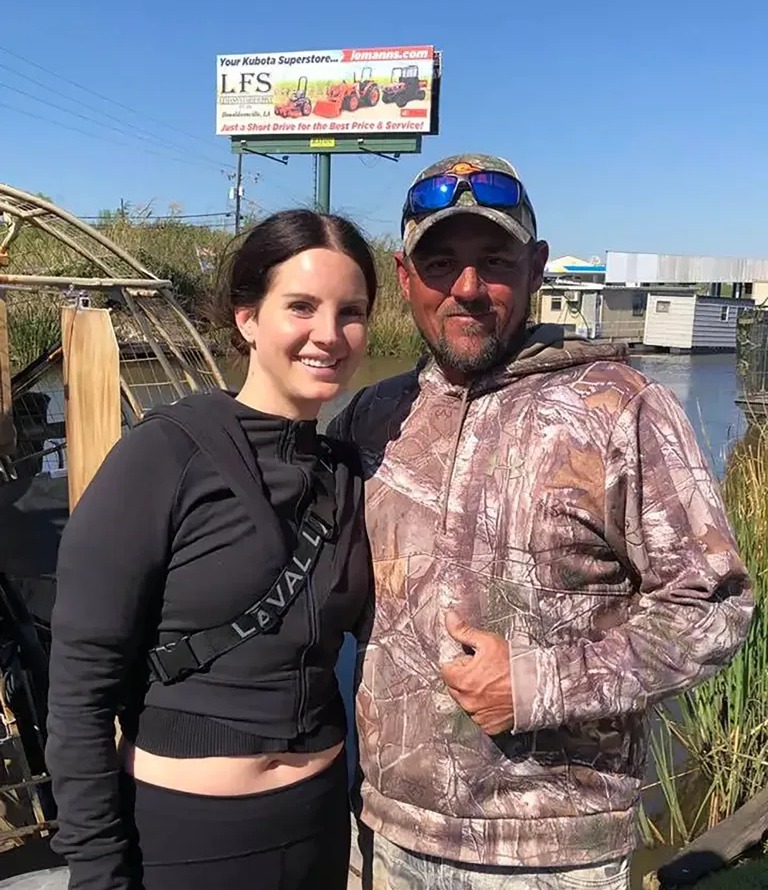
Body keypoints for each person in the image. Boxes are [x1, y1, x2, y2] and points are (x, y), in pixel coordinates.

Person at [328, 154, 754, 889]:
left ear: (536, 268)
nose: (467, 288)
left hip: (555, 855)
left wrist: (541, 683)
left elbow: (714, 608)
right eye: (440, 264)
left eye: (493, 260)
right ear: (404, 278)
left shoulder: (619, 408)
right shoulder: (373, 417)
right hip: (384, 838)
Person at [46, 208, 377, 890]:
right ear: (247, 318)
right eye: (301, 307)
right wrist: (99, 872)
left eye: (351, 312)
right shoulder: (162, 455)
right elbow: (80, 691)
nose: (329, 334)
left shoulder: (348, 471)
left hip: (319, 826)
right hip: (190, 837)